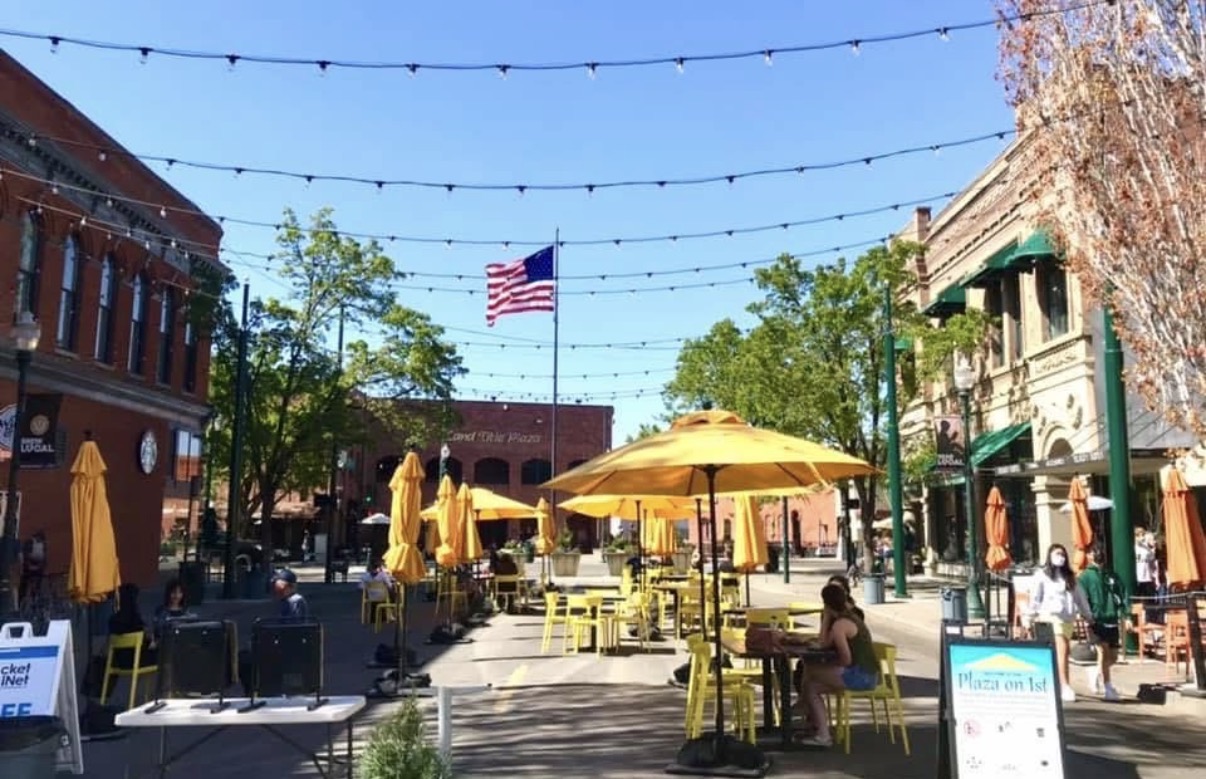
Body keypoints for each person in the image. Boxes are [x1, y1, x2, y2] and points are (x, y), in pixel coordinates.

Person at [794, 583, 880, 747]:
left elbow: (846, 659)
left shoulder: (841, 625)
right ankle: (822, 734)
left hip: (861, 676)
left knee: (809, 668)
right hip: (866, 673)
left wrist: (834, 669)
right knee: (812, 687)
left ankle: (803, 707)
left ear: (826, 604)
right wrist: (826, 618)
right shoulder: (849, 617)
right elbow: (824, 643)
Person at [1023, 543, 1093, 703]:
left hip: (1068, 618)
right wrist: (1029, 617)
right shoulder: (1042, 576)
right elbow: (1035, 599)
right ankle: (1065, 685)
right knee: (1062, 652)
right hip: (1051, 618)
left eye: (1062, 554)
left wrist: (1088, 615)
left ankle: (1050, 683)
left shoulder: (1070, 577)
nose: (1060, 557)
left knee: (1061, 653)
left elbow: (1080, 597)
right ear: (1049, 556)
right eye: (1057, 554)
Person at [1077, 545, 1124, 701]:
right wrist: (1087, 616)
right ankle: (1108, 686)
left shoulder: (1111, 575)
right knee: (1103, 652)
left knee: (1113, 657)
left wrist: (1126, 614)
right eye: (1092, 552)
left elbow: (1121, 593)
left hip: (1112, 619)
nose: (1097, 554)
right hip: (1096, 620)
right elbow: (1081, 598)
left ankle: (1095, 672)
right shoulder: (1084, 577)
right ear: (1088, 556)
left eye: (1099, 551)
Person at [108, 583, 157, 667]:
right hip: (137, 662)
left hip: (119, 663)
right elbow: (147, 643)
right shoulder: (136, 621)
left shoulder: (112, 621)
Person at [18, 531, 47, 604]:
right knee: (24, 584)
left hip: (38, 567)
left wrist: (41, 566)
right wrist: (29, 566)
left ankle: (35, 599)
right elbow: (25, 555)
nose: (41, 541)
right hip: (28, 567)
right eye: (40, 539)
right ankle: (21, 601)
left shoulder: (43, 544)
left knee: (37, 584)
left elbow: (44, 558)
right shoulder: (29, 542)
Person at [1134, 528, 1158, 600]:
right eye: (1139, 535)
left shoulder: (1146, 548)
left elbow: (1152, 562)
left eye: (1143, 535)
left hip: (1148, 578)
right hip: (1138, 579)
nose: (1142, 537)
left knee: (1150, 601)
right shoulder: (1133, 548)